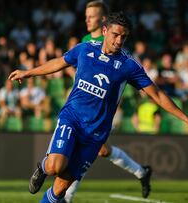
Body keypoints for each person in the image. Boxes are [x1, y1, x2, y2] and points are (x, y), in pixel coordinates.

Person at [8, 12, 188, 203]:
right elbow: (59, 62)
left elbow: (157, 94)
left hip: (96, 133)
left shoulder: (129, 65)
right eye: (115, 34)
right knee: (55, 166)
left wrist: (187, 119)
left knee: (60, 190)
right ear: (105, 30)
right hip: (72, 119)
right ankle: (42, 167)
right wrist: (29, 73)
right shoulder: (85, 49)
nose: (118, 41)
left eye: (123, 37)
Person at [67, 2, 155, 202]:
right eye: (86, 15)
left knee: (87, 149)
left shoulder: (116, 41)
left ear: (103, 20)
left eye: (92, 16)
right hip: (84, 105)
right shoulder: (86, 41)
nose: (87, 19)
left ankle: (67, 196)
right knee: (102, 149)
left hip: (103, 108)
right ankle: (141, 172)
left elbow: (122, 75)